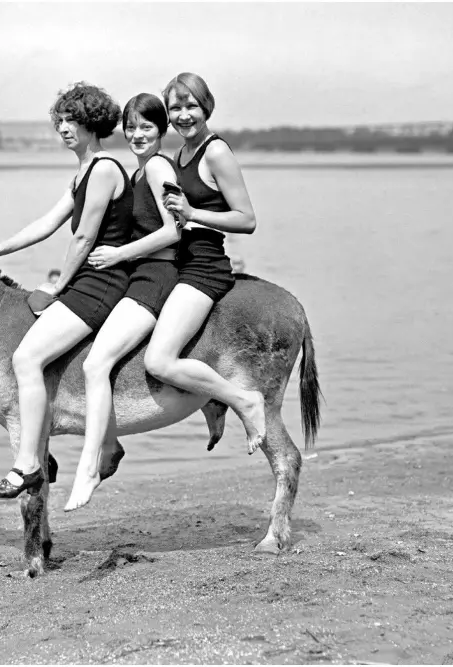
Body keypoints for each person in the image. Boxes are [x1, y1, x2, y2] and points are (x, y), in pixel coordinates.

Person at [0, 82, 134, 500]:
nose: (63, 128)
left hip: (102, 282)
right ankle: (40, 457)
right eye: (59, 120)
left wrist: (59, 286)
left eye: (72, 120)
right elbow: (47, 223)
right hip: (88, 280)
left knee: (26, 358)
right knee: (31, 357)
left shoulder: (104, 169)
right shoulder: (83, 172)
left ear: (92, 123)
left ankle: (28, 465)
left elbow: (83, 237)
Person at [63, 93, 181, 511]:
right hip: (137, 275)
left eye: (146, 127)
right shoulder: (137, 172)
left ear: (162, 130)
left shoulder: (159, 167)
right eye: (130, 127)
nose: (137, 135)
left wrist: (118, 255)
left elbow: (173, 230)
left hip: (156, 277)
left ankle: (90, 467)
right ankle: (110, 445)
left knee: (96, 364)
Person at [144, 72, 266, 455]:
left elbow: (247, 219)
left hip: (204, 268)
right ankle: (211, 401)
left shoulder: (215, 152)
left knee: (159, 361)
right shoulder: (179, 155)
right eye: (175, 108)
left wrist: (193, 212)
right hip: (177, 264)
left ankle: (243, 401)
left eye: (191, 106)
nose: (183, 115)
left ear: (206, 106)